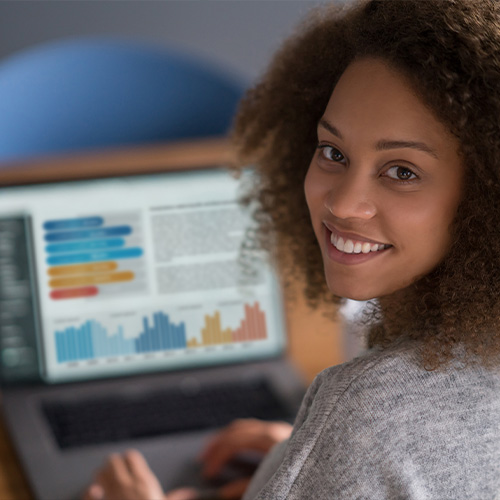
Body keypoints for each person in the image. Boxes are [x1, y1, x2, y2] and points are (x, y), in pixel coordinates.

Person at [84, 0, 500, 498]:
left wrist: (338, 451)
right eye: (333, 152)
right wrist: (305, 460)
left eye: (402, 172)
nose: (344, 204)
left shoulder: (365, 409)